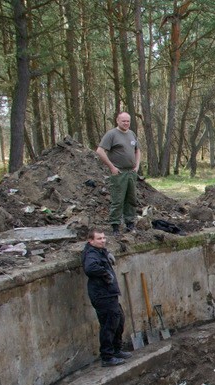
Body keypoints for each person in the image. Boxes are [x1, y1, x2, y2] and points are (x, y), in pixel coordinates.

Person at [82, 228, 131, 367]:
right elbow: (90, 268)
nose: (103, 241)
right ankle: (107, 356)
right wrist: (104, 273)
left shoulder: (98, 251)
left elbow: (99, 255)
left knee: (118, 320)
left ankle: (116, 350)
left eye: (103, 238)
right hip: (102, 295)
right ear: (90, 240)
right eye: (99, 239)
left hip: (109, 293)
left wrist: (107, 252)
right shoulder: (91, 253)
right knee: (109, 325)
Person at [96, 112, 142, 235]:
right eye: (123, 121)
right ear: (117, 120)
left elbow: (137, 151)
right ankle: (115, 226)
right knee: (118, 200)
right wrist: (112, 167)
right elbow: (100, 151)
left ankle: (130, 223)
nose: (126, 123)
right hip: (119, 172)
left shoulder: (132, 134)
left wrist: (137, 166)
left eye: (128, 121)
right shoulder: (111, 134)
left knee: (131, 198)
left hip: (131, 172)